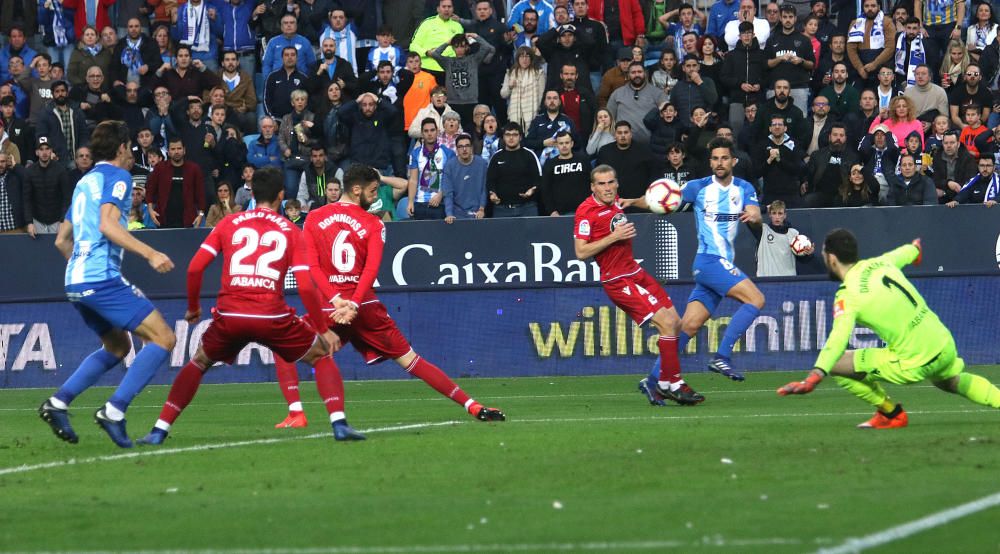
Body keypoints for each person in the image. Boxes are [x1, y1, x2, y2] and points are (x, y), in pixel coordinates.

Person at [136, 166, 363, 444]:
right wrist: (321, 329)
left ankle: (159, 429)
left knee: (199, 361)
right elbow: (305, 286)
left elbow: (195, 269)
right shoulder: (292, 231)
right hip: (271, 315)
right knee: (320, 355)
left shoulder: (228, 223)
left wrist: (194, 307)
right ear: (282, 195)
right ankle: (339, 424)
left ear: (252, 193)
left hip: (231, 314)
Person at [300, 164, 505, 422]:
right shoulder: (374, 224)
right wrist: (352, 303)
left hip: (329, 306)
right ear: (355, 190)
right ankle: (473, 406)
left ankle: (297, 412)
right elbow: (370, 269)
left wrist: (335, 300)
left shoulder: (314, 218)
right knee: (412, 361)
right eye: (373, 191)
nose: (375, 197)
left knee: (288, 346)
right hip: (364, 306)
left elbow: (313, 267)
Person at [38, 121, 176, 448]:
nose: (131, 153)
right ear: (121, 149)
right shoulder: (118, 177)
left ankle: (57, 403)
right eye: (129, 146)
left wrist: (81, 269)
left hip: (75, 279)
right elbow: (108, 225)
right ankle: (114, 411)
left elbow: (61, 240)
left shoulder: (85, 182)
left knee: (118, 347)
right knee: (163, 338)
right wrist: (150, 252)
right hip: (99, 277)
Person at [777, 230, 1000, 428]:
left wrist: (815, 375)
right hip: (943, 343)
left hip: (915, 360)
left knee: (836, 364)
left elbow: (838, 338)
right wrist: (916, 249)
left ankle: (891, 413)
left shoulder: (848, 295)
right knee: (951, 381)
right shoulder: (881, 263)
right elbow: (908, 251)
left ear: (831, 259)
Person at [575, 164, 703, 406]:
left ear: (617, 183)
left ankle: (661, 382)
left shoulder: (616, 203)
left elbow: (651, 202)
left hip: (634, 271)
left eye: (611, 182)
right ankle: (673, 383)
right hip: (617, 279)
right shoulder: (586, 212)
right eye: (601, 184)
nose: (607, 188)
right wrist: (615, 236)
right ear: (592, 186)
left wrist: (635, 201)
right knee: (665, 323)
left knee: (675, 322)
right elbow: (581, 252)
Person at [642, 138, 764, 387]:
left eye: (724, 158)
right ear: (710, 162)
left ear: (733, 161)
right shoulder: (698, 187)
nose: (719, 163)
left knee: (689, 326)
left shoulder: (744, 187)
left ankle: (653, 379)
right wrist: (634, 202)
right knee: (756, 299)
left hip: (717, 264)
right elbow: (663, 199)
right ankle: (722, 356)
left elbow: (756, 214)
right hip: (709, 260)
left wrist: (754, 216)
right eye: (715, 159)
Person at [145, 138, 207, 228]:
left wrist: (200, 215)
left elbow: (201, 194)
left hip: (188, 220)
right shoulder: (160, 168)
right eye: (173, 149)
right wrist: (150, 210)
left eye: (179, 148)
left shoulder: (194, 169)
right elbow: (150, 191)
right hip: (163, 219)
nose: (176, 152)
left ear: (184, 150)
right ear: (168, 152)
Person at [764, 6, 815, 111]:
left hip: (798, 87)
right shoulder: (772, 39)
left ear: (795, 19)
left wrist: (801, 61)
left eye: (790, 17)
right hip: (776, 88)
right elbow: (766, 64)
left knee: (799, 123)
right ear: (780, 18)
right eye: (785, 17)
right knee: (774, 122)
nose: (788, 20)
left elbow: (812, 64)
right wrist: (780, 59)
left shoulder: (804, 40)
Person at [407, 117, 454, 220]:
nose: (429, 133)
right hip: (419, 203)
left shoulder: (448, 153)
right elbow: (413, 180)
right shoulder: (415, 153)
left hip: (440, 203)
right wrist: (410, 202)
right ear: (422, 134)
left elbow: (451, 180)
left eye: (432, 130)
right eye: (426, 131)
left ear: (437, 131)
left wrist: (440, 195)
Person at [23, 136, 72, 234]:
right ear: (36, 152)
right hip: (37, 221)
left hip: (57, 221)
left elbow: (67, 198)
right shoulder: (29, 172)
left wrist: (63, 221)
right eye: (41, 149)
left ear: (51, 151)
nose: (44, 152)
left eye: (47, 149)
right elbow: (26, 199)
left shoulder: (61, 171)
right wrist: (29, 222)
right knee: (38, 249)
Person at [753, 200, 813, 277]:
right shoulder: (762, 230)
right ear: (770, 215)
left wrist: (808, 254)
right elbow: (750, 213)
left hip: (787, 281)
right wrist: (764, 208)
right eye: (774, 213)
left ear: (785, 215)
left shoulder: (794, 234)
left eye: (780, 213)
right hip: (766, 280)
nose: (777, 217)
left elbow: (802, 259)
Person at [846, 0, 896, 89]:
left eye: (873, 6)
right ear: (863, 7)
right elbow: (851, 49)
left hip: (882, 66)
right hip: (861, 68)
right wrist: (860, 68)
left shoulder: (887, 22)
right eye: (867, 6)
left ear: (879, 7)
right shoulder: (855, 23)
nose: (870, 9)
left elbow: (890, 47)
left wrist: (875, 64)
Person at [758, 115, 804, 208]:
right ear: (770, 128)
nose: (777, 127)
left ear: (785, 128)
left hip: (791, 193)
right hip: (770, 193)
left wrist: (779, 160)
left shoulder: (794, 144)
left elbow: (798, 169)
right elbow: (757, 172)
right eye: (774, 124)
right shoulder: (762, 145)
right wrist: (769, 160)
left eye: (780, 124)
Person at [540, 131, 589, 215]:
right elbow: (545, 189)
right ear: (556, 145)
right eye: (561, 143)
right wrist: (552, 210)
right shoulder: (550, 164)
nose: (564, 146)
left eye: (567, 142)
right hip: (559, 213)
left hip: (584, 211)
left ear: (572, 143)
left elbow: (591, 183)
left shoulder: (583, 160)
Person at [441, 133, 487, 222]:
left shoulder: (482, 164)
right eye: (460, 147)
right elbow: (448, 193)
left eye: (467, 146)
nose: (464, 149)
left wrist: (481, 209)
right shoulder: (449, 166)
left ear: (472, 148)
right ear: (456, 149)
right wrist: (449, 214)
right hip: (457, 214)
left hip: (478, 213)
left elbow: (484, 189)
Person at [500, 47, 546, 133]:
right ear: (517, 58)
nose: (524, 59)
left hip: (533, 113)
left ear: (531, 58)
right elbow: (503, 94)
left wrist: (537, 111)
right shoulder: (511, 73)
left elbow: (541, 95)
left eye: (527, 56)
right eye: (521, 56)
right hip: (515, 113)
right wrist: (510, 87)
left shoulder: (539, 73)